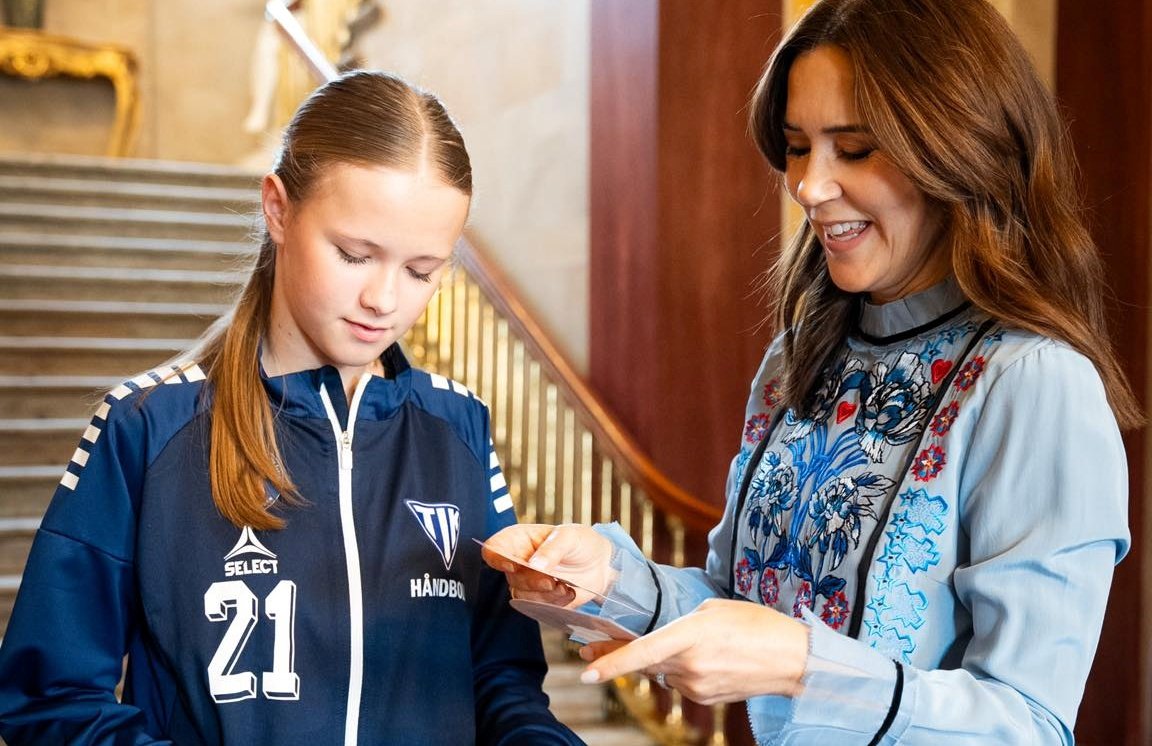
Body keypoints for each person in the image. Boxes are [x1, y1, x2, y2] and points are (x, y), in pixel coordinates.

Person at [481, 0, 1142, 743]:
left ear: (960, 148)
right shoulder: (799, 359)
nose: (808, 186)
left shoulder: (1035, 385)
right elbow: (738, 606)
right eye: (797, 147)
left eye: (853, 149)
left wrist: (804, 667)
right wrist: (607, 580)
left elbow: (1030, 722)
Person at [0, 71, 583, 746]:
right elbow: (52, 699)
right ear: (278, 208)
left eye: (422, 270)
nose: (385, 300)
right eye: (355, 255)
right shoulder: (146, 428)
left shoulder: (458, 428)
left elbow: (500, 680)